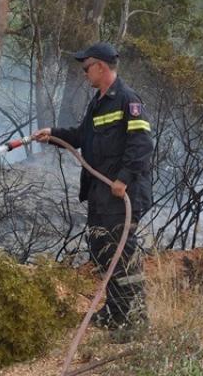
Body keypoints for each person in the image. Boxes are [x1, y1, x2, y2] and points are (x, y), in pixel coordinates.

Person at [32, 42, 153, 329]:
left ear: (100, 66)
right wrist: (52, 134)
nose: (85, 74)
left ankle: (132, 319)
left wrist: (122, 178)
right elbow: (82, 136)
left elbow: (142, 143)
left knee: (120, 254)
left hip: (121, 194)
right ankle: (116, 311)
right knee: (102, 250)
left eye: (87, 68)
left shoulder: (127, 99)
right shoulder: (98, 102)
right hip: (101, 194)